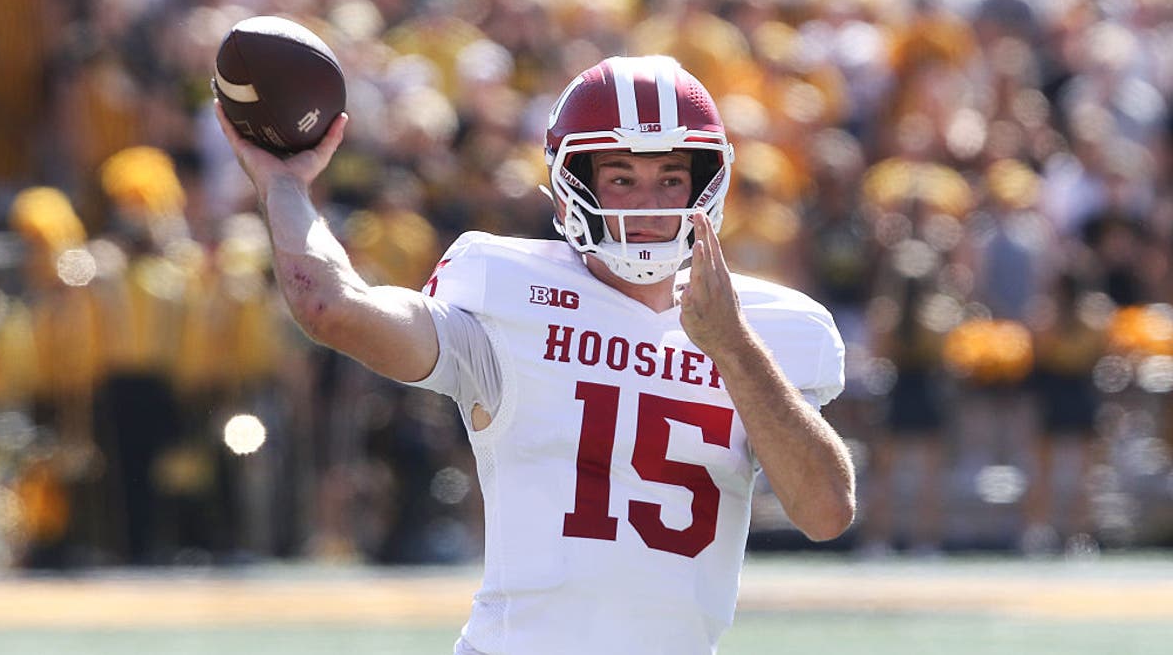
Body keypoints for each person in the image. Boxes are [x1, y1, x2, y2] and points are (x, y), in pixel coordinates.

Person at [216, 54, 855, 655]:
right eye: (622, 178)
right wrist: (284, 186)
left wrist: (733, 348)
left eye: (670, 178)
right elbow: (332, 309)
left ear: (707, 183)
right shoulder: (509, 295)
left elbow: (827, 512)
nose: (649, 205)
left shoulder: (765, 328)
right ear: (573, 183)